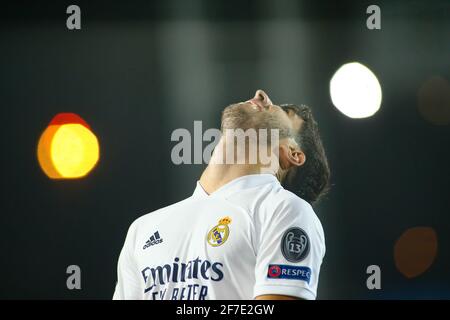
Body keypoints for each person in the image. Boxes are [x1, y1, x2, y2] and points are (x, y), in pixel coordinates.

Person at [113, 89, 330, 300]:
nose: (261, 95)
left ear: (292, 153)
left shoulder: (285, 211)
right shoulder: (142, 229)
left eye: (281, 112)